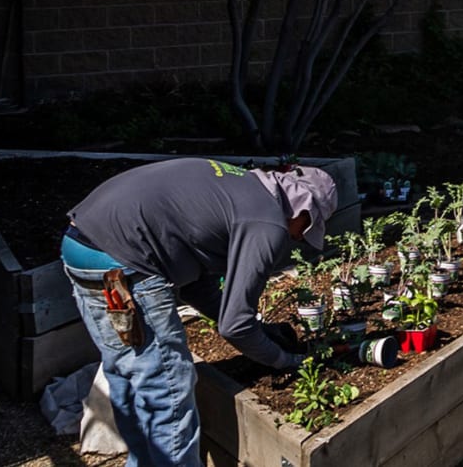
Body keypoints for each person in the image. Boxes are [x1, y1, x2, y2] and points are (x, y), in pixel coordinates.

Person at [61, 158, 338, 467]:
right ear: (303, 209)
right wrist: (283, 360)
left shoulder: (240, 187)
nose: (299, 237)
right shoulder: (268, 222)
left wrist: (260, 330)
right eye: (307, 228)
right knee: (168, 389)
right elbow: (235, 327)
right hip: (126, 261)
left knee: (125, 371)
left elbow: (197, 288)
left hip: (80, 244)